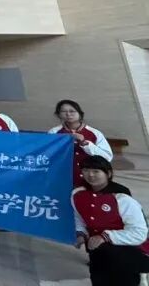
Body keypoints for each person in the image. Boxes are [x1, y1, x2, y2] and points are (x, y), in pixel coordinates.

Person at [72, 156, 149, 285]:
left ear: (108, 173)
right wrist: (80, 233)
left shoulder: (122, 198)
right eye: (86, 170)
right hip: (98, 252)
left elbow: (139, 233)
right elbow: (79, 218)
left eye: (96, 171)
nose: (90, 175)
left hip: (128, 252)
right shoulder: (78, 195)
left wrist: (105, 237)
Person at [49, 100, 112, 187]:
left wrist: (85, 143)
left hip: (90, 179)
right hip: (62, 177)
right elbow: (48, 154)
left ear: (80, 113)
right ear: (58, 114)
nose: (68, 114)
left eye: (72, 111)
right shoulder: (54, 132)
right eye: (64, 111)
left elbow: (107, 157)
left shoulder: (94, 133)